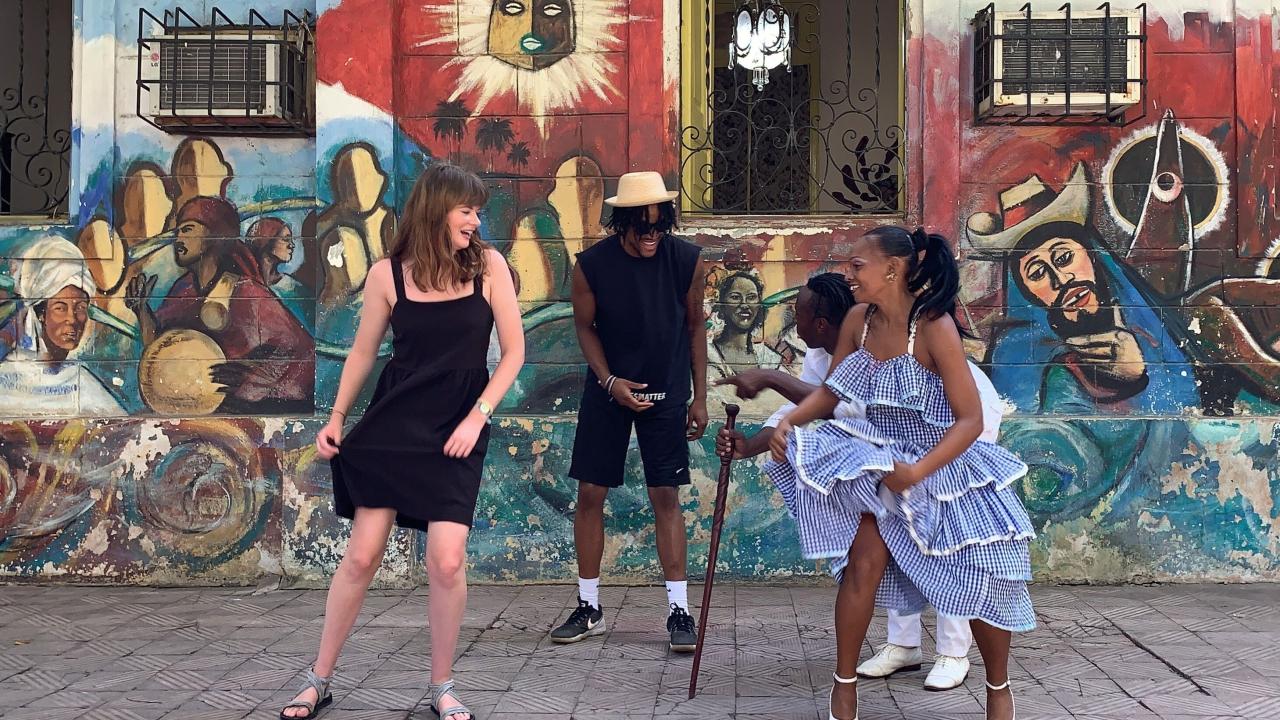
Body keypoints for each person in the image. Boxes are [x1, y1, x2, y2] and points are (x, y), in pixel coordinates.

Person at [280, 163, 524, 720]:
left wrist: (477, 417)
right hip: (396, 423)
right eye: (467, 210)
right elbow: (365, 353)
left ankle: (442, 686)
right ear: (438, 210)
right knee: (362, 556)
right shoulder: (389, 275)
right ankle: (318, 679)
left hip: (460, 426)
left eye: (478, 210)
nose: (475, 220)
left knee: (445, 560)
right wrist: (337, 417)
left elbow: (514, 353)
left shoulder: (489, 266)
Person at [765, 227, 1034, 720]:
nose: (848, 274)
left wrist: (918, 472)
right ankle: (843, 690)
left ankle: (999, 691)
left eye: (857, 265)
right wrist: (786, 421)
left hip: (943, 462)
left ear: (892, 269)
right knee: (862, 562)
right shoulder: (856, 321)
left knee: (983, 577)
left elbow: (970, 419)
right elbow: (831, 394)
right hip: (881, 457)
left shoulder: (933, 327)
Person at [715, 271, 1007, 690]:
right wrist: (747, 447)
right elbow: (810, 410)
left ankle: (953, 651)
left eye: (798, 316)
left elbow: (833, 403)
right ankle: (903, 646)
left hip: (955, 430)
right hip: (894, 444)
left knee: (945, 541)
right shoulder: (823, 355)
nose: (793, 326)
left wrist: (772, 378)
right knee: (889, 533)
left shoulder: (904, 334)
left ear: (820, 324)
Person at [547, 171, 708, 652]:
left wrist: (699, 397)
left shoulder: (687, 261)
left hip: (667, 393)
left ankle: (679, 612)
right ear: (622, 224)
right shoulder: (591, 266)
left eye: (660, 225)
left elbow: (696, 326)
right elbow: (585, 328)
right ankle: (589, 604)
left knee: (666, 496)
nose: (652, 234)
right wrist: (610, 381)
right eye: (642, 226)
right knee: (591, 492)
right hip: (608, 390)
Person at [127, 196, 315, 414]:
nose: (178, 239)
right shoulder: (183, 289)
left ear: (214, 235)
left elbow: (300, 350)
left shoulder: (245, 292)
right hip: (187, 412)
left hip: (239, 413)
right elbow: (161, 346)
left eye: (187, 230)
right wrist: (140, 309)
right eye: (178, 231)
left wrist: (252, 380)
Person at [0, 234, 124, 416]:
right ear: (41, 313)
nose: (72, 319)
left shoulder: (84, 383)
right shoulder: (7, 377)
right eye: (60, 308)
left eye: (80, 307)